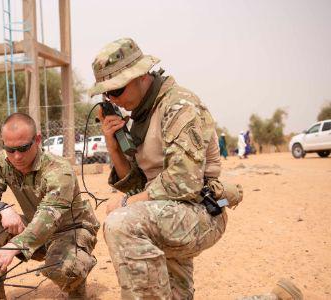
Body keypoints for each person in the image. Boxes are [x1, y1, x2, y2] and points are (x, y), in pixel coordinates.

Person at [88, 37, 301, 299]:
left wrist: (126, 204)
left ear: (141, 75)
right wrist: (113, 145)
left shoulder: (179, 106)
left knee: (122, 223)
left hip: (197, 211)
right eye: (106, 94)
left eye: (117, 90)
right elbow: (137, 184)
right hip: (161, 211)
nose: (113, 99)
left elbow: (182, 182)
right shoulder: (141, 114)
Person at [0, 112, 100, 299]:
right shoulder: (2, 162)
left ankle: (76, 288)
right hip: (34, 229)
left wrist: (14, 245)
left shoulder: (59, 169)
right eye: (10, 149)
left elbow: (50, 215)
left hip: (70, 231)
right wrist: (2, 209)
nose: (16, 156)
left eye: (23, 148)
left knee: (65, 268)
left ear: (38, 140)